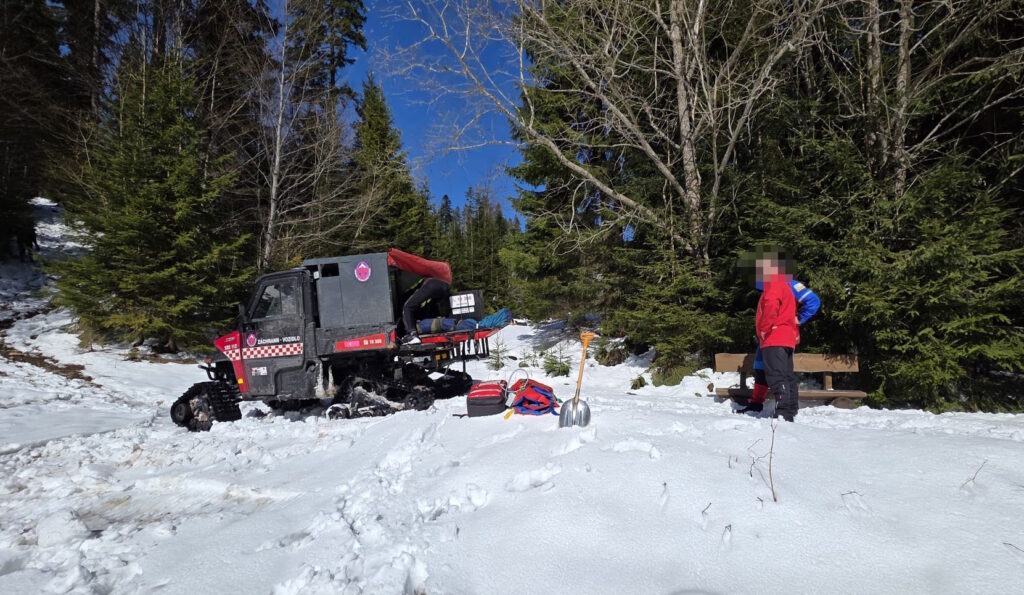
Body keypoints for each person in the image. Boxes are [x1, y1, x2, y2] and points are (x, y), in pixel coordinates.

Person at [737, 274, 820, 416]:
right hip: (770, 336)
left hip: (778, 334)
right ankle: (757, 403)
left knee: (778, 373)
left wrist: (800, 318)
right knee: (760, 367)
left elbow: (813, 301)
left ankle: (785, 410)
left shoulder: (788, 283)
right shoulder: (771, 285)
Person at [746, 252, 800, 422]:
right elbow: (790, 314)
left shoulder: (774, 284)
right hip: (786, 337)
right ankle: (791, 408)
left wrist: (764, 328)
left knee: (776, 376)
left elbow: (770, 305)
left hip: (774, 337)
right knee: (787, 375)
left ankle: (783, 411)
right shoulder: (785, 286)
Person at [401, 276, 450, 344]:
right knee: (430, 307)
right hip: (445, 286)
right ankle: (443, 324)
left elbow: (414, 295)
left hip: (431, 285)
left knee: (407, 307)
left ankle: (413, 335)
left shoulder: (413, 289)